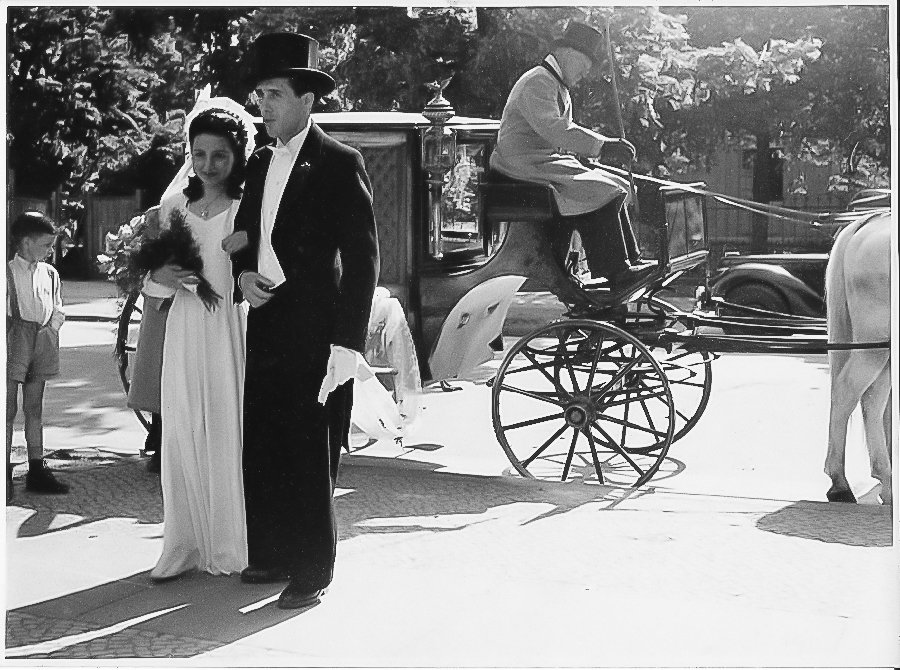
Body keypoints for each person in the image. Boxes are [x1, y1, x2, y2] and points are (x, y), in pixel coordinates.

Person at [231, 32, 379, 609]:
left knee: (309, 449)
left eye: (274, 94)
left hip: (316, 328)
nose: (262, 105)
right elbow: (245, 233)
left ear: (306, 99)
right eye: (260, 94)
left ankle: (313, 567)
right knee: (264, 439)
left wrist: (348, 342)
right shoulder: (259, 161)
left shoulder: (340, 162)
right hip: (267, 319)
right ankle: (271, 551)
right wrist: (244, 274)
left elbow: (364, 260)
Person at [143, 97, 258, 580]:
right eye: (200, 154)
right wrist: (161, 276)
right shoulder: (173, 208)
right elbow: (151, 285)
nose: (208, 166)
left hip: (232, 326)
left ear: (237, 155)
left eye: (220, 156)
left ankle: (232, 542)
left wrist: (249, 245)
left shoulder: (248, 208)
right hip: (186, 328)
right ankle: (184, 542)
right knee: (185, 426)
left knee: (229, 426)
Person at [489, 21, 656, 293]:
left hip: (541, 162)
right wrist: (603, 146)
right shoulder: (538, 81)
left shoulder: (555, 84)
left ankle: (629, 260)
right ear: (567, 53)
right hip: (520, 166)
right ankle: (616, 271)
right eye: (585, 65)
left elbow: (558, 135)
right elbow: (556, 130)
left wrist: (592, 154)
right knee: (600, 189)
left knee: (618, 185)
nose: (585, 73)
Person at [6, 211, 70, 503]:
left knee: (34, 407)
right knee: (7, 410)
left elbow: (57, 305)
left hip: (42, 339)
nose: (50, 250)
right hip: (14, 338)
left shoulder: (50, 273)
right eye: (45, 244)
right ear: (26, 242)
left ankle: (36, 468)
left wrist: (52, 328)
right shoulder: (7, 272)